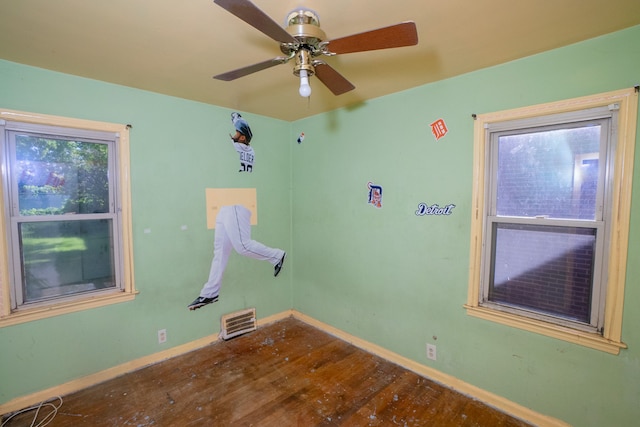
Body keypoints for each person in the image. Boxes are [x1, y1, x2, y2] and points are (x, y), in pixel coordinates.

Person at [188, 204, 286, 311]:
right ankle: (210, 293)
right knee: (220, 252)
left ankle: (277, 255)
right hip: (222, 210)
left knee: (243, 246)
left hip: (235, 206)